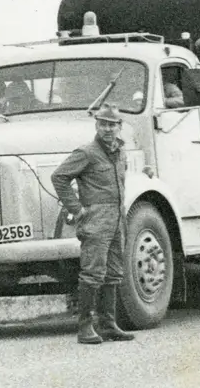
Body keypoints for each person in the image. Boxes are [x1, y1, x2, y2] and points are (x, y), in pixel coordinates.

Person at [51, 103, 136, 344]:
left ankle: (108, 324)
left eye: (112, 125)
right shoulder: (86, 152)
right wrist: (76, 209)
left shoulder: (120, 152)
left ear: (120, 127)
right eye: (103, 124)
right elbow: (59, 177)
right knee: (92, 273)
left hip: (117, 218)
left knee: (114, 273)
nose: (108, 129)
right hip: (96, 220)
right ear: (96, 125)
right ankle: (85, 327)